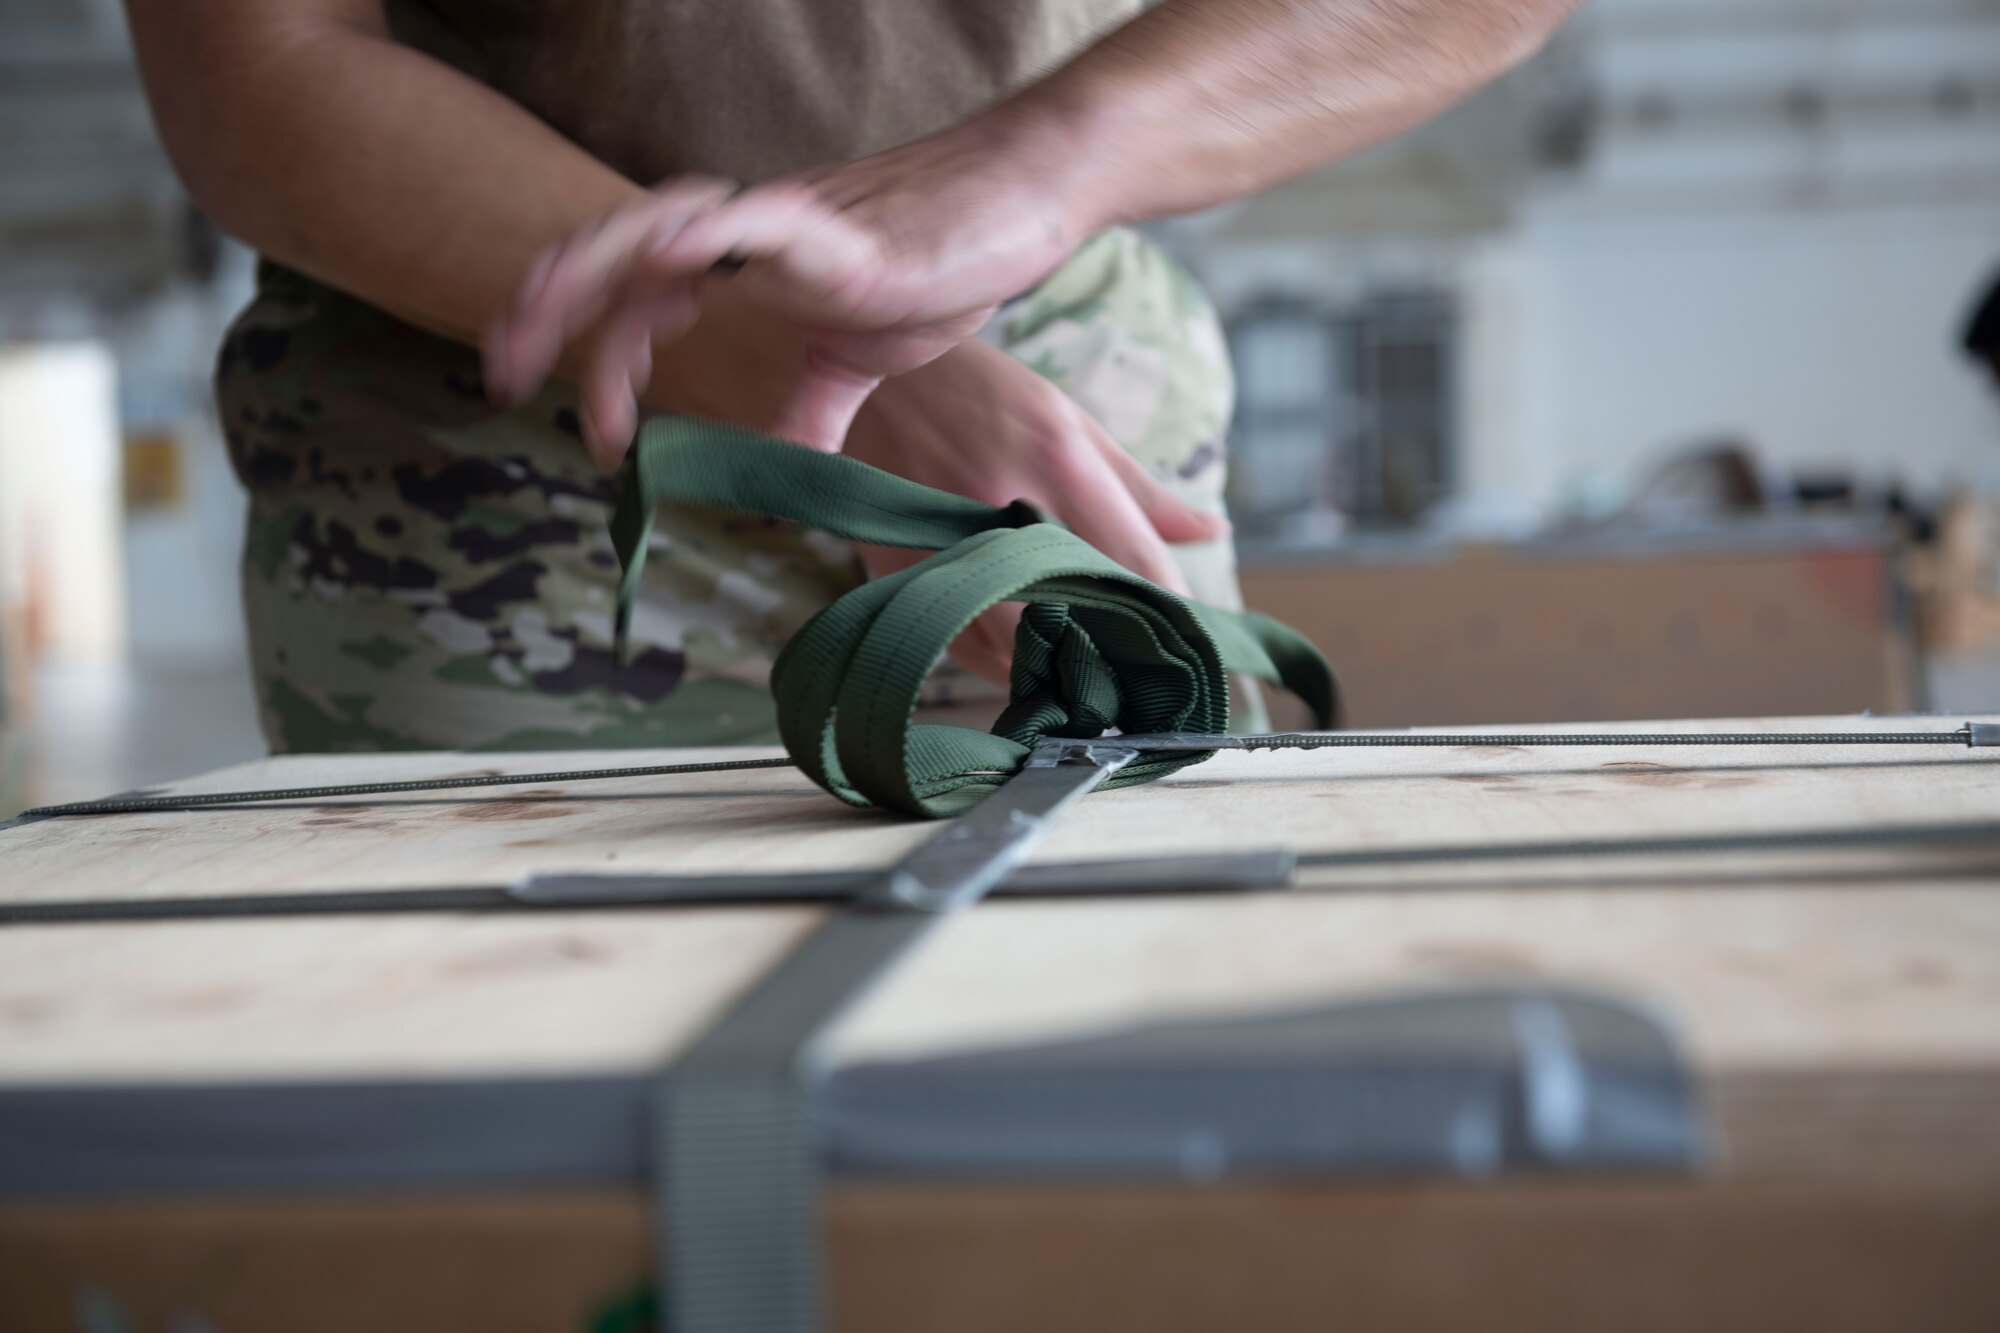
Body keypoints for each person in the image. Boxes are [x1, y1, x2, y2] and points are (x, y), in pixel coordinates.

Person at [126, 0, 1576, 752]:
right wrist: (836, 368)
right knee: (532, 1130)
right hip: (504, 417)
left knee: (1119, 1071)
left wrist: (1039, 167)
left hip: (1053, 393)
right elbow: (261, 60)